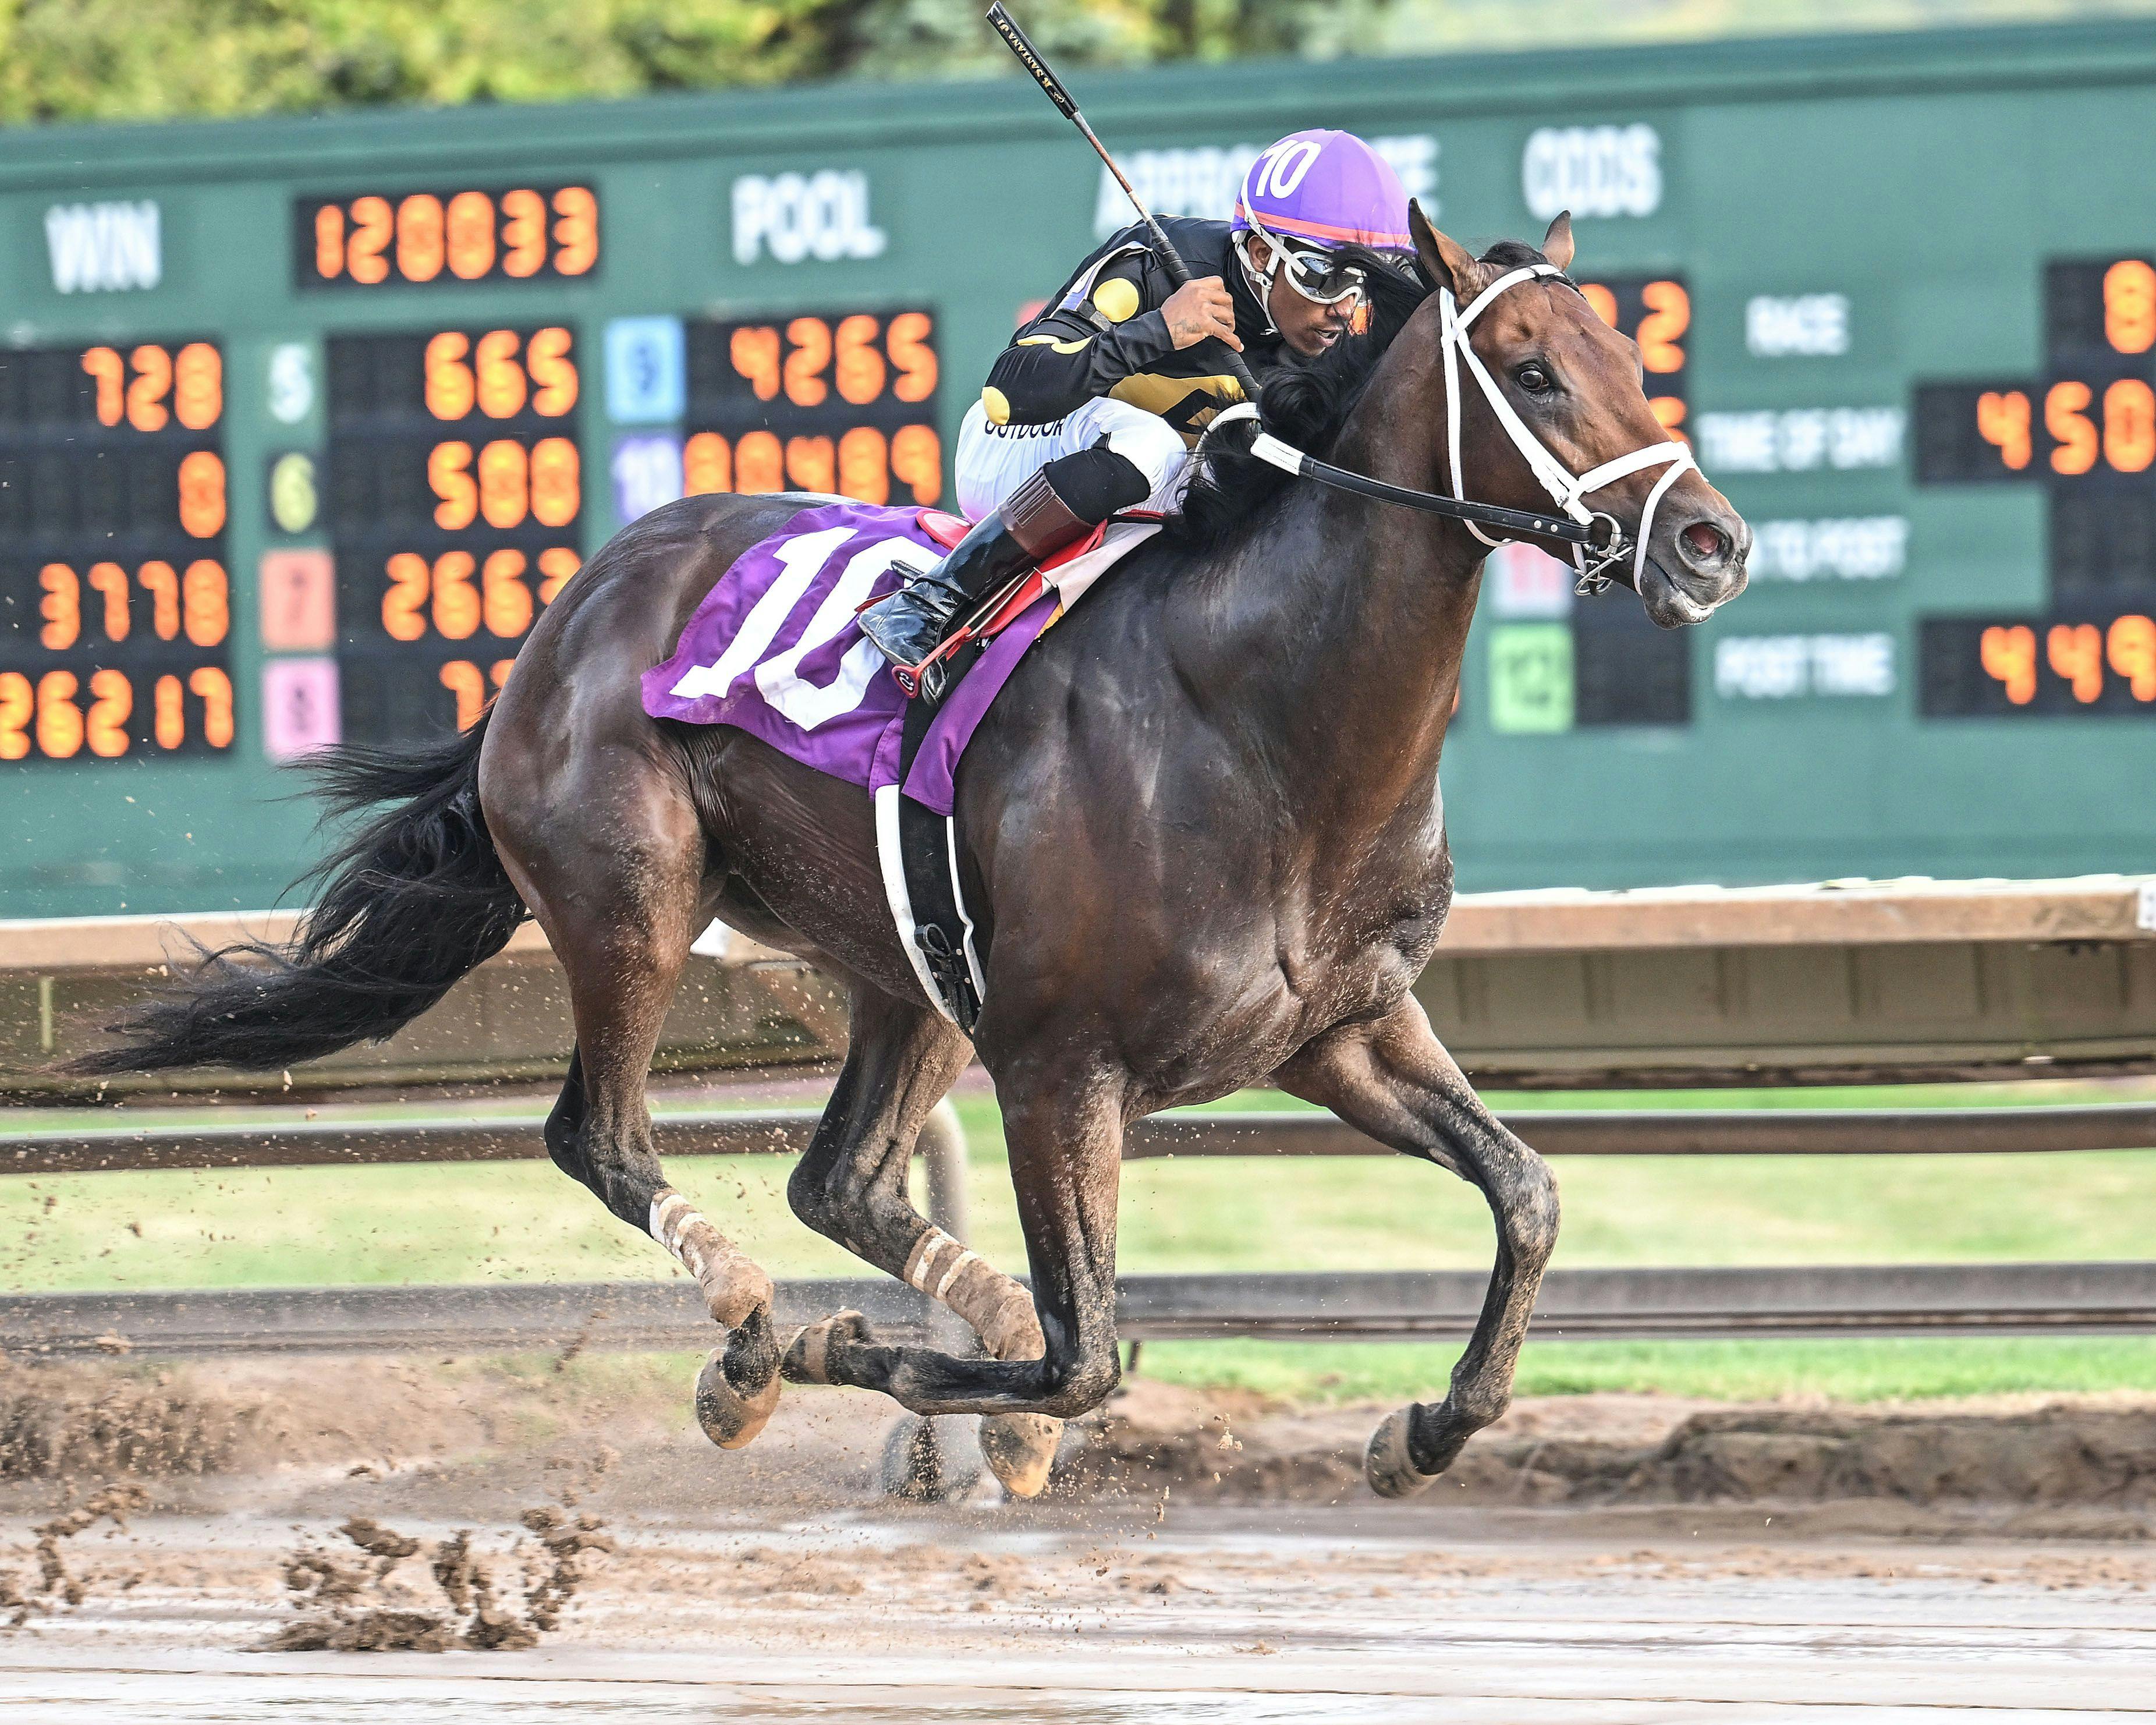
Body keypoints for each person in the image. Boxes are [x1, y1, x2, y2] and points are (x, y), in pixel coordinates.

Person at [859, 128, 1418, 703]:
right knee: (1153, 445)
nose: (1342, 308)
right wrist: (1158, 330)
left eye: (1362, 281)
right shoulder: (1154, 265)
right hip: (1015, 450)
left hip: (1145, 495)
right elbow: (1008, 390)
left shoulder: (1328, 334)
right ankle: (931, 602)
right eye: (1322, 276)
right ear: (1258, 254)